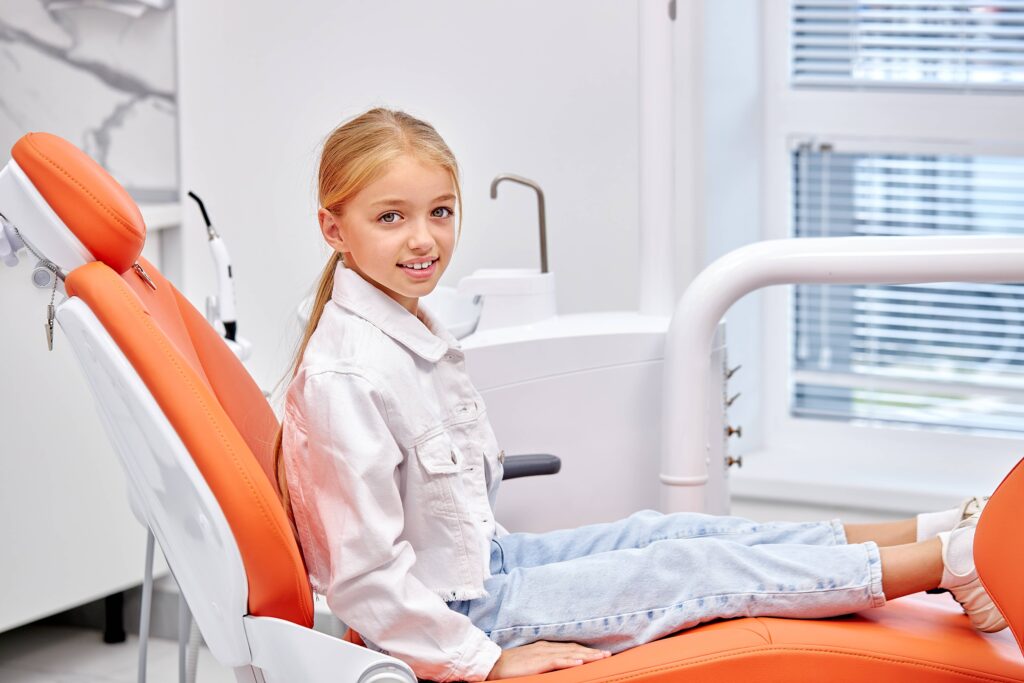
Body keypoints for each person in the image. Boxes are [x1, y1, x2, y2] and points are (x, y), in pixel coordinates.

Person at [275, 108, 1006, 683]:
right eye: (391, 217)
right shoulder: (347, 376)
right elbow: (366, 578)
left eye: (440, 211)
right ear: (334, 228)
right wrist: (483, 659)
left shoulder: (410, 326)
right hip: (460, 614)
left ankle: (929, 527)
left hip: (490, 568)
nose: (424, 238)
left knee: (677, 532)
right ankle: (944, 562)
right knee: (687, 569)